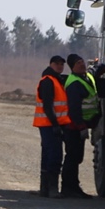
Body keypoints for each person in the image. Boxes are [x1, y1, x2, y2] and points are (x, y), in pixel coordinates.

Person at [59, 53, 99, 199]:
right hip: (72, 127)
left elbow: (97, 70)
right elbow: (74, 108)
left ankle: (73, 187)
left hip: (79, 126)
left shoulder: (87, 76)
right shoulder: (74, 83)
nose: (82, 64)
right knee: (72, 157)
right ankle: (68, 188)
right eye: (78, 63)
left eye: (82, 61)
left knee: (76, 157)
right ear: (72, 67)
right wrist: (81, 127)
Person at [35, 54, 74, 197]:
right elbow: (47, 106)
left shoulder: (57, 80)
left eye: (61, 64)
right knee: (54, 155)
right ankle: (51, 189)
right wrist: (55, 124)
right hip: (49, 124)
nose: (60, 66)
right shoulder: (48, 81)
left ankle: (45, 188)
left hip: (51, 124)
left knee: (48, 154)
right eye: (57, 64)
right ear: (51, 64)